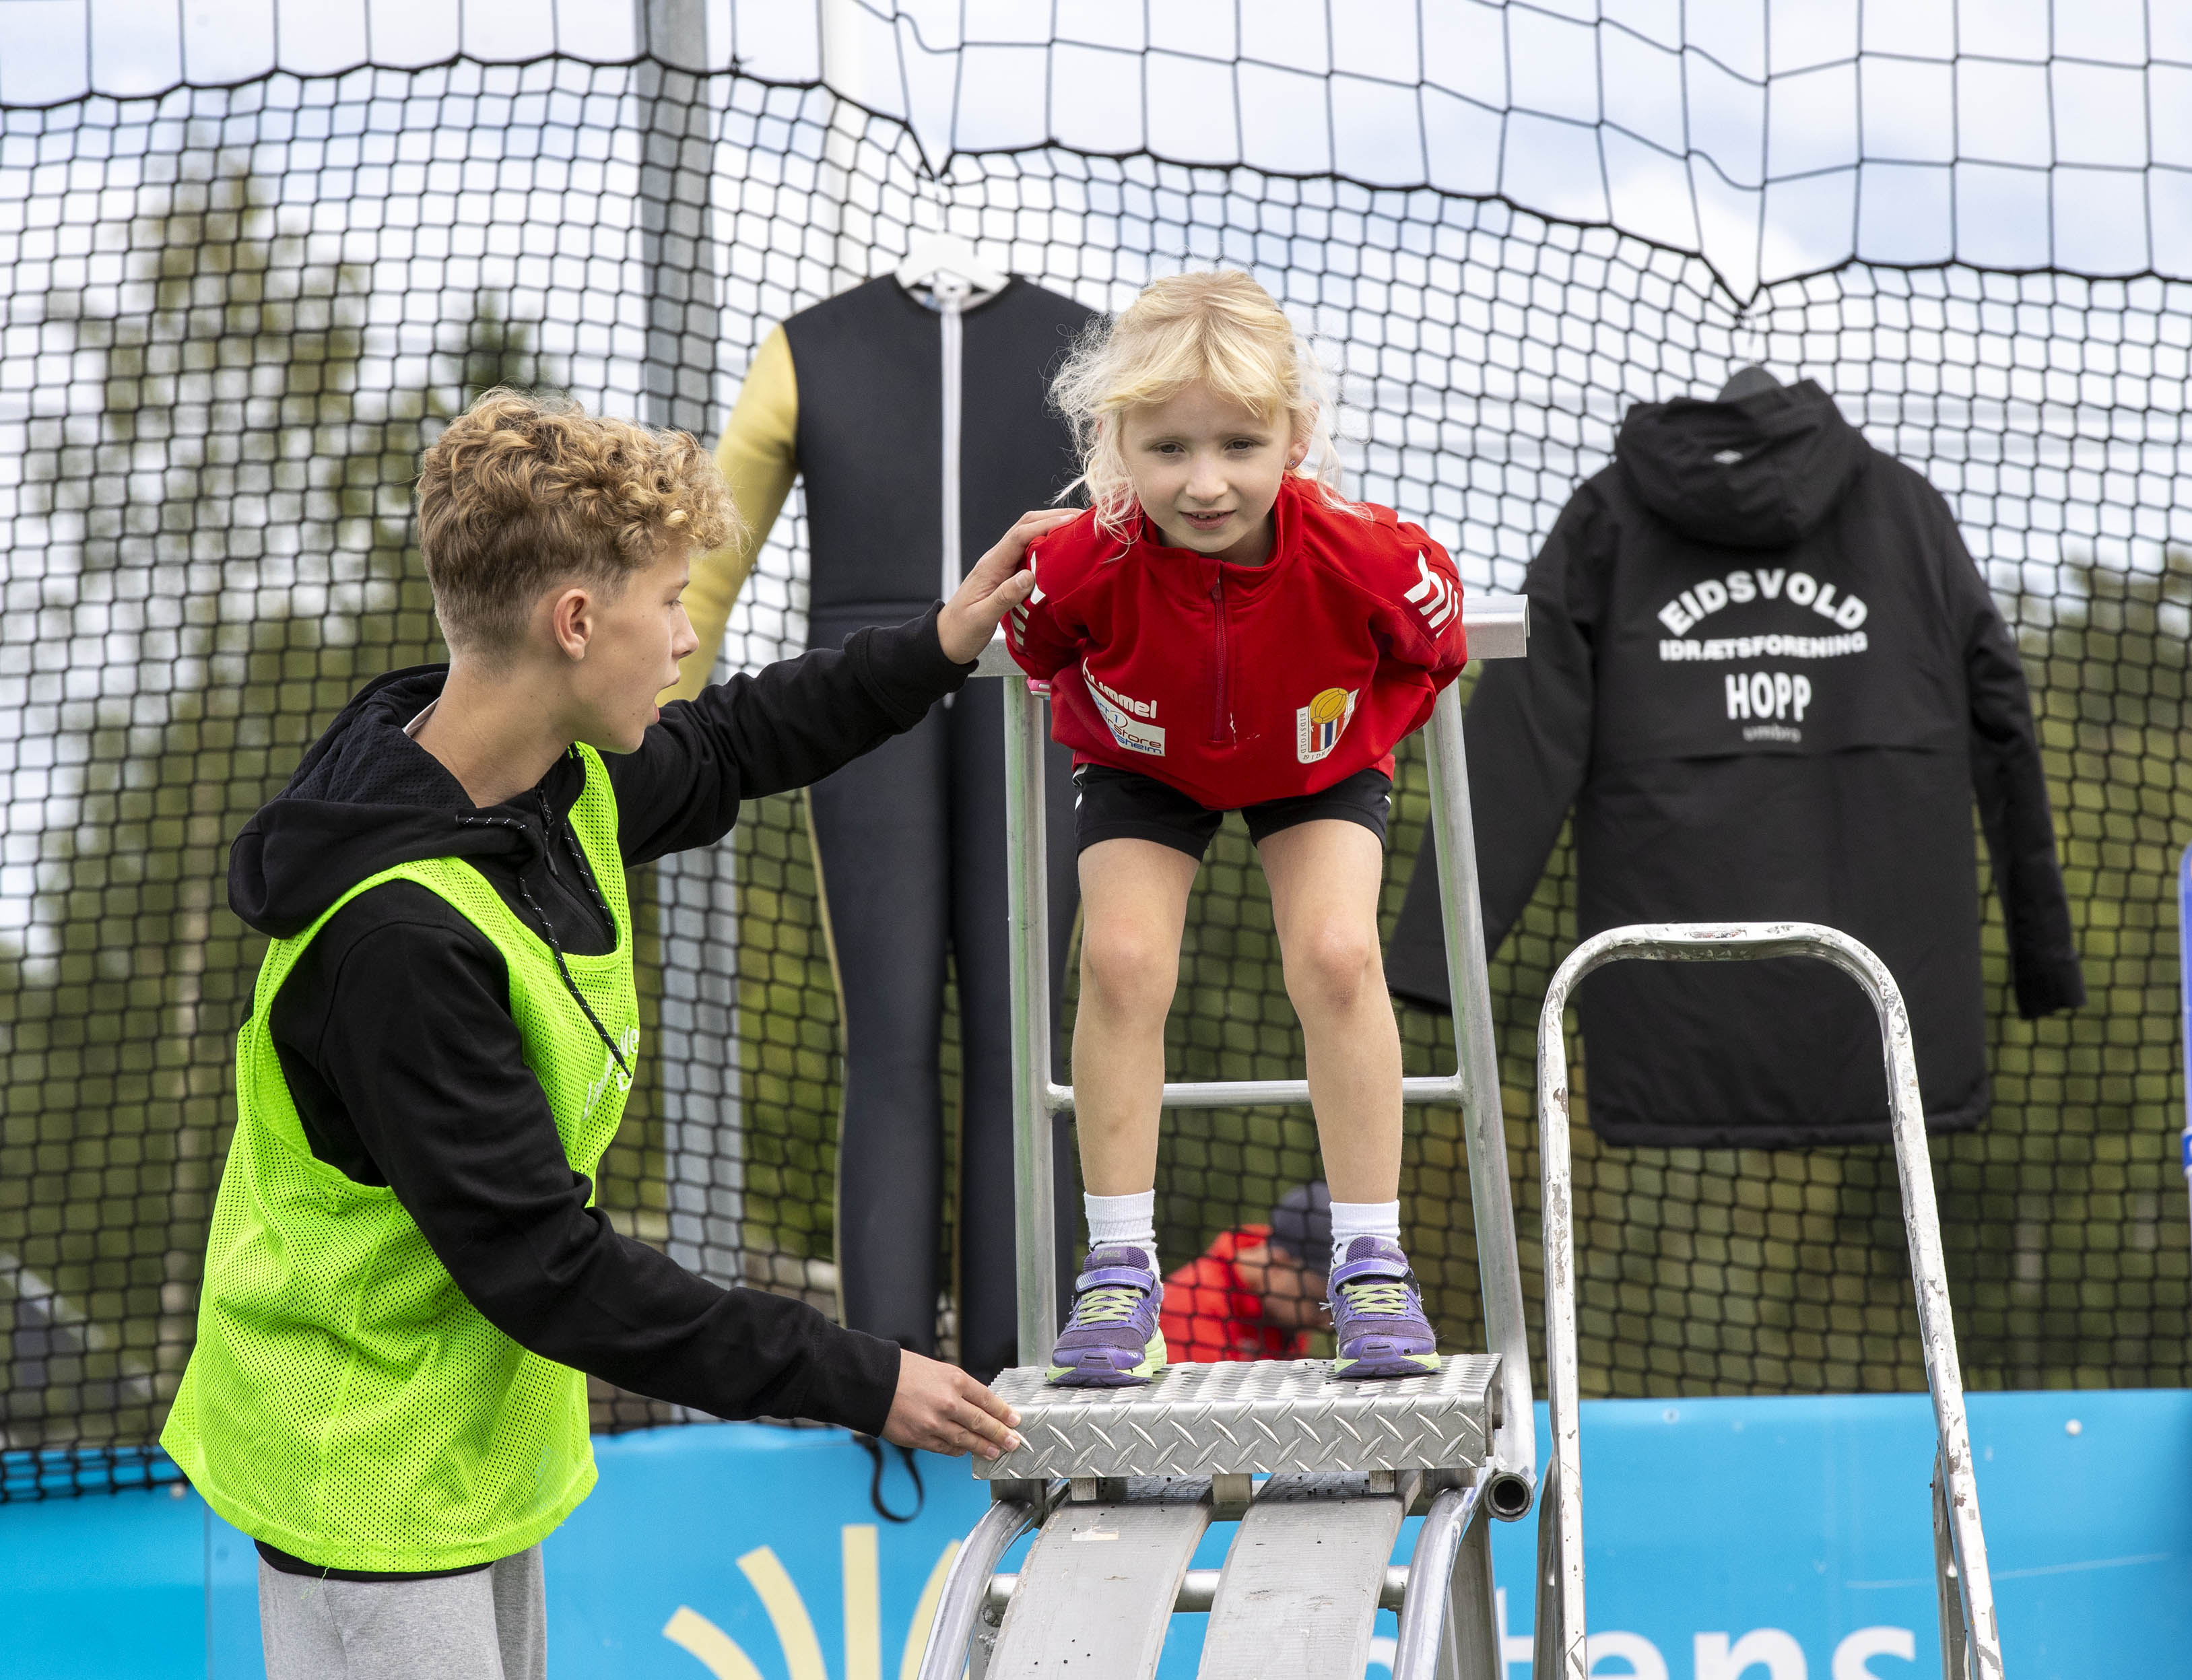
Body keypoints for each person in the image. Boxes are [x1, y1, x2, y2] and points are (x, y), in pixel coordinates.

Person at [160, 390, 1057, 1680]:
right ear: (576, 623)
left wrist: (942, 643)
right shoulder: (402, 942)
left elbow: (739, 740)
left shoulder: (541, 778)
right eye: (672, 605)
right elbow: (551, 1268)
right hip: (357, 1462)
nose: (689, 640)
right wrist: (864, 1376)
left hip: (458, 1436)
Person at [1003, 271, 1469, 1387]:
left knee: (1339, 956)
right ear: (1118, 447)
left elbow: (1436, 640)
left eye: (1240, 446)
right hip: (1144, 762)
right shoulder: (1086, 555)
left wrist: (1365, 721)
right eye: (1168, 452)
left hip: (1313, 763)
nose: (1205, 484)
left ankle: (1370, 1264)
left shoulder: (1361, 550)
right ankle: (1118, 1267)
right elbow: (1035, 647)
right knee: (1119, 960)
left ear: (1294, 437)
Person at [1162, 1184, 1333, 1364]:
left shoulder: (1283, 1312)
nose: (1327, 1324)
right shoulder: (1188, 1310)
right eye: (1318, 1302)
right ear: (1276, 1264)